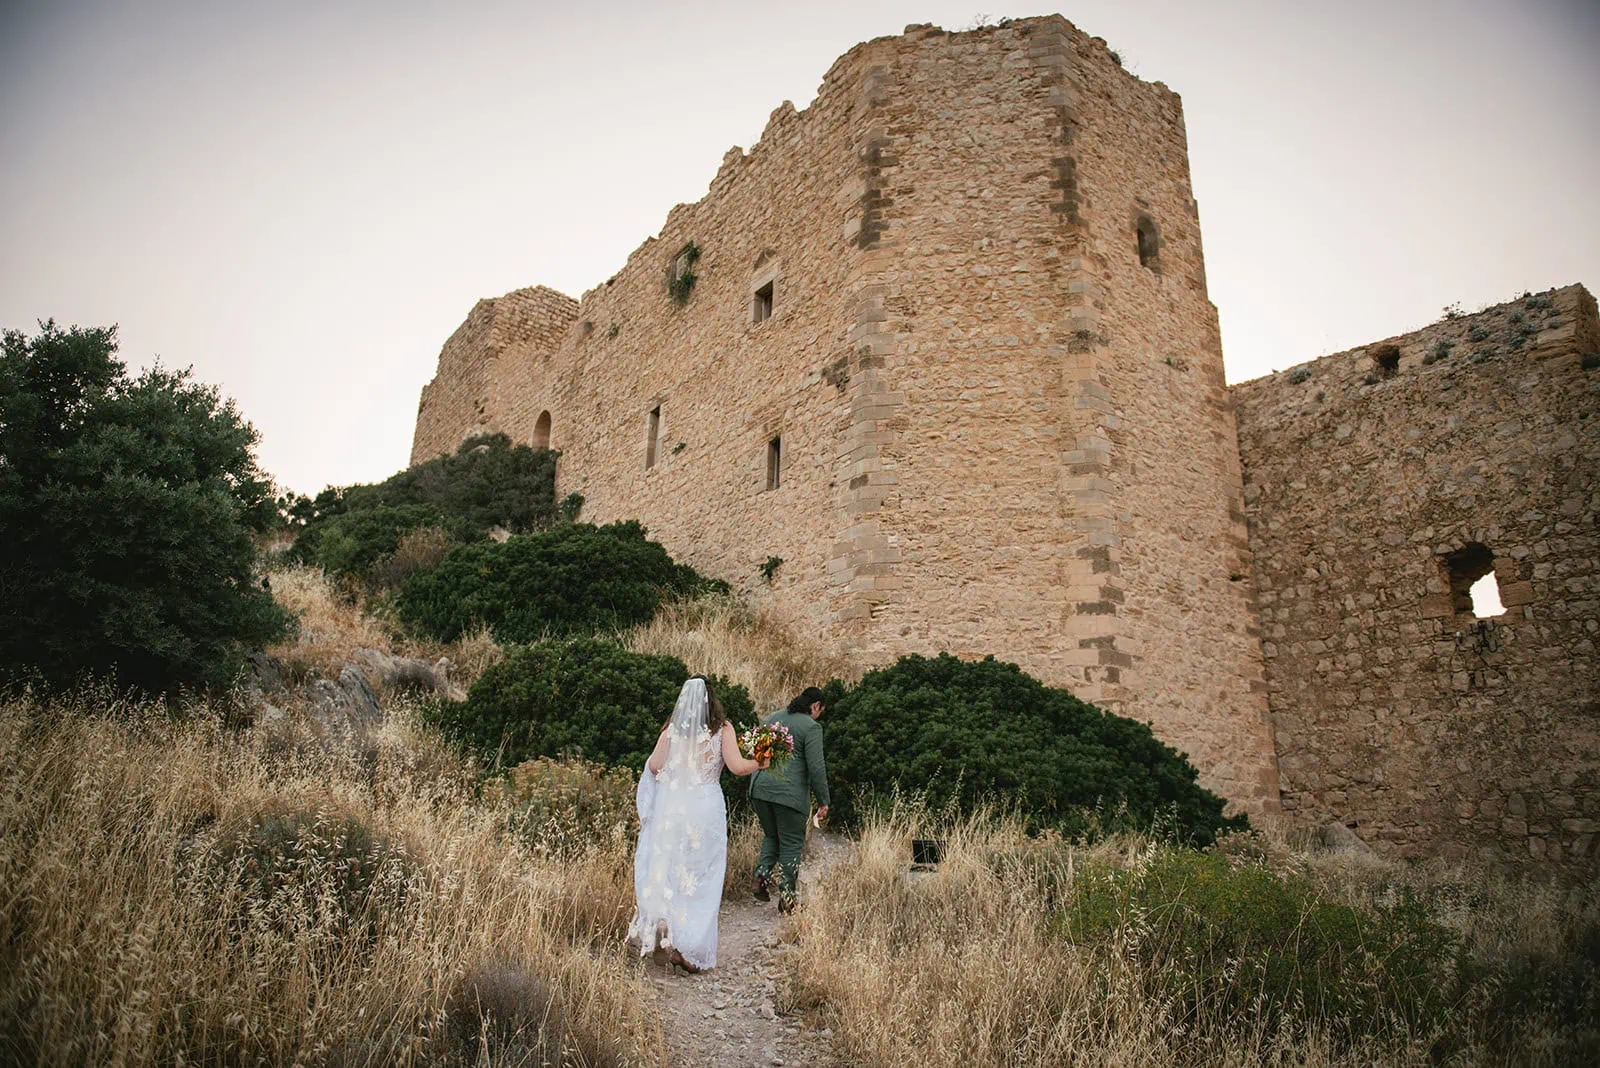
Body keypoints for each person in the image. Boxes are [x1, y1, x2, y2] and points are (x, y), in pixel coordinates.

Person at [629, 675, 766, 974]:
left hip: (674, 809)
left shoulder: (672, 731)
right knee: (703, 876)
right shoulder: (722, 729)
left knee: (670, 870)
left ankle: (664, 923)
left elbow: (654, 766)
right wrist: (761, 762)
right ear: (712, 700)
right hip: (706, 809)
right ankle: (690, 948)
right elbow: (737, 767)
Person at [749, 686, 829, 913]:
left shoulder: (770, 719)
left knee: (772, 835)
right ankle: (788, 898)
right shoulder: (811, 727)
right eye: (820, 710)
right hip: (788, 794)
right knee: (792, 842)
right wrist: (824, 800)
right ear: (815, 706)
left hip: (760, 788)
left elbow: (757, 754)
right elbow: (816, 767)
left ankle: (761, 876)